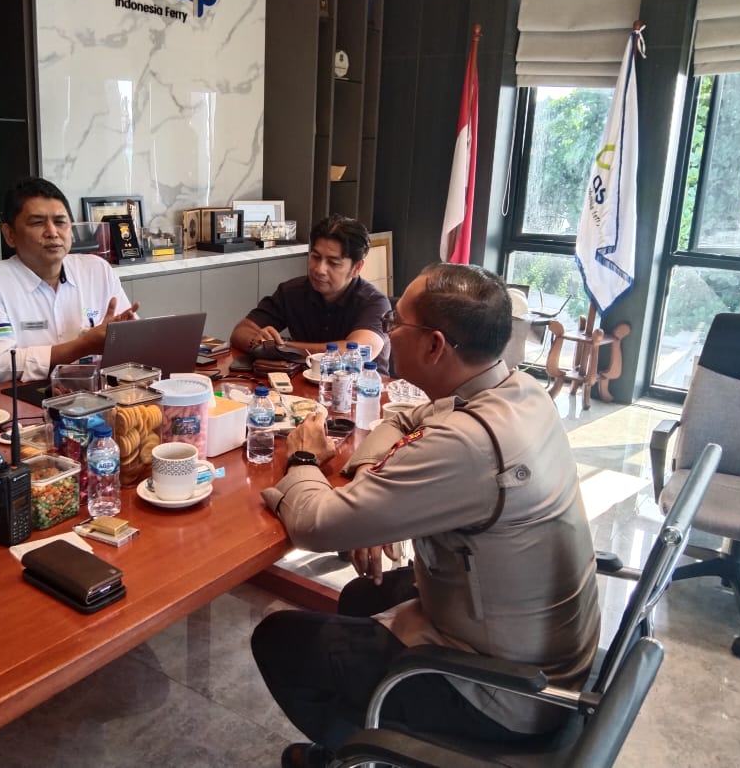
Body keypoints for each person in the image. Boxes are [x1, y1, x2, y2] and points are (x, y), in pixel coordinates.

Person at [251, 263, 600, 768]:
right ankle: (364, 744)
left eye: (396, 322)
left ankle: (368, 754)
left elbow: (315, 525)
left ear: (435, 346)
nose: (389, 331)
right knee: (361, 594)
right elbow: (404, 418)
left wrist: (303, 457)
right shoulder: (518, 390)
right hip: (536, 647)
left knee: (279, 639)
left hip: (507, 691)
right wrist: (376, 488)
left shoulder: (470, 444)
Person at [0, 177, 139, 384]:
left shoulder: (97, 269)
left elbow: (133, 342)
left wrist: (122, 336)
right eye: (37, 222)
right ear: (10, 234)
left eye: (60, 222)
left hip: (94, 392)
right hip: (21, 397)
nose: (52, 232)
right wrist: (84, 345)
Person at [230, 214, 391, 371]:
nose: (319, 269)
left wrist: (282, 347)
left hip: (361, 385)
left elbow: (356, 353)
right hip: (304, 382)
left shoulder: (374, 303)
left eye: (333, 263)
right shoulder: (291, 291)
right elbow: (241, 332)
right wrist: (259, 341)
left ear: (356, 268)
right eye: (315, 257)